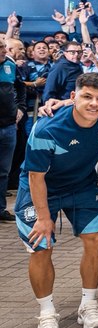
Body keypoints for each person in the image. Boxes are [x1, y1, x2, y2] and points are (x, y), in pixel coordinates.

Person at [15, 73, 98, 328]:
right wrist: (43, 217)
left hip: (82, 185)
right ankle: (47, 313)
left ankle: (89, 305)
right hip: (41, 188)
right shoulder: (47, 128)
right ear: (73, 97)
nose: (93, 104)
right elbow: (36, 177)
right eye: (86, 97)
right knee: (41, 246)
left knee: (94, 239)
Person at [0, 39, 25, 221]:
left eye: (4, 47)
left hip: (8, 127)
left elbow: (20, 89)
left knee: (3, 172)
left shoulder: (10, 66)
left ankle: (0, 209)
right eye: (1, 47)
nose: (4, 50)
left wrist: (21, 108)